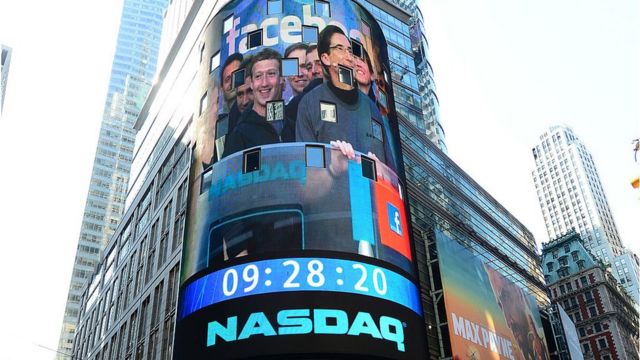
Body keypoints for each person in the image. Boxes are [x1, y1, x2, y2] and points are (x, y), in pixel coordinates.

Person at [296, 25, 396, 171]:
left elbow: (391, 171)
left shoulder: (371, 108)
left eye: (350, 50)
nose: (349, 56)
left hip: (370, 192)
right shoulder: (310, 103)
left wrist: (381, 172)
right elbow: (308, 173)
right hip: (333, 193)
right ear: (325, 58)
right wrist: (334, 169)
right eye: (340, 49)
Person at [222, 48, 292, 158]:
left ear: (282, 80)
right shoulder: (240, 135)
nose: (264, 83)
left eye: (271, 74)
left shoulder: (294, 125)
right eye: (258, 76)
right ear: (252, 83)